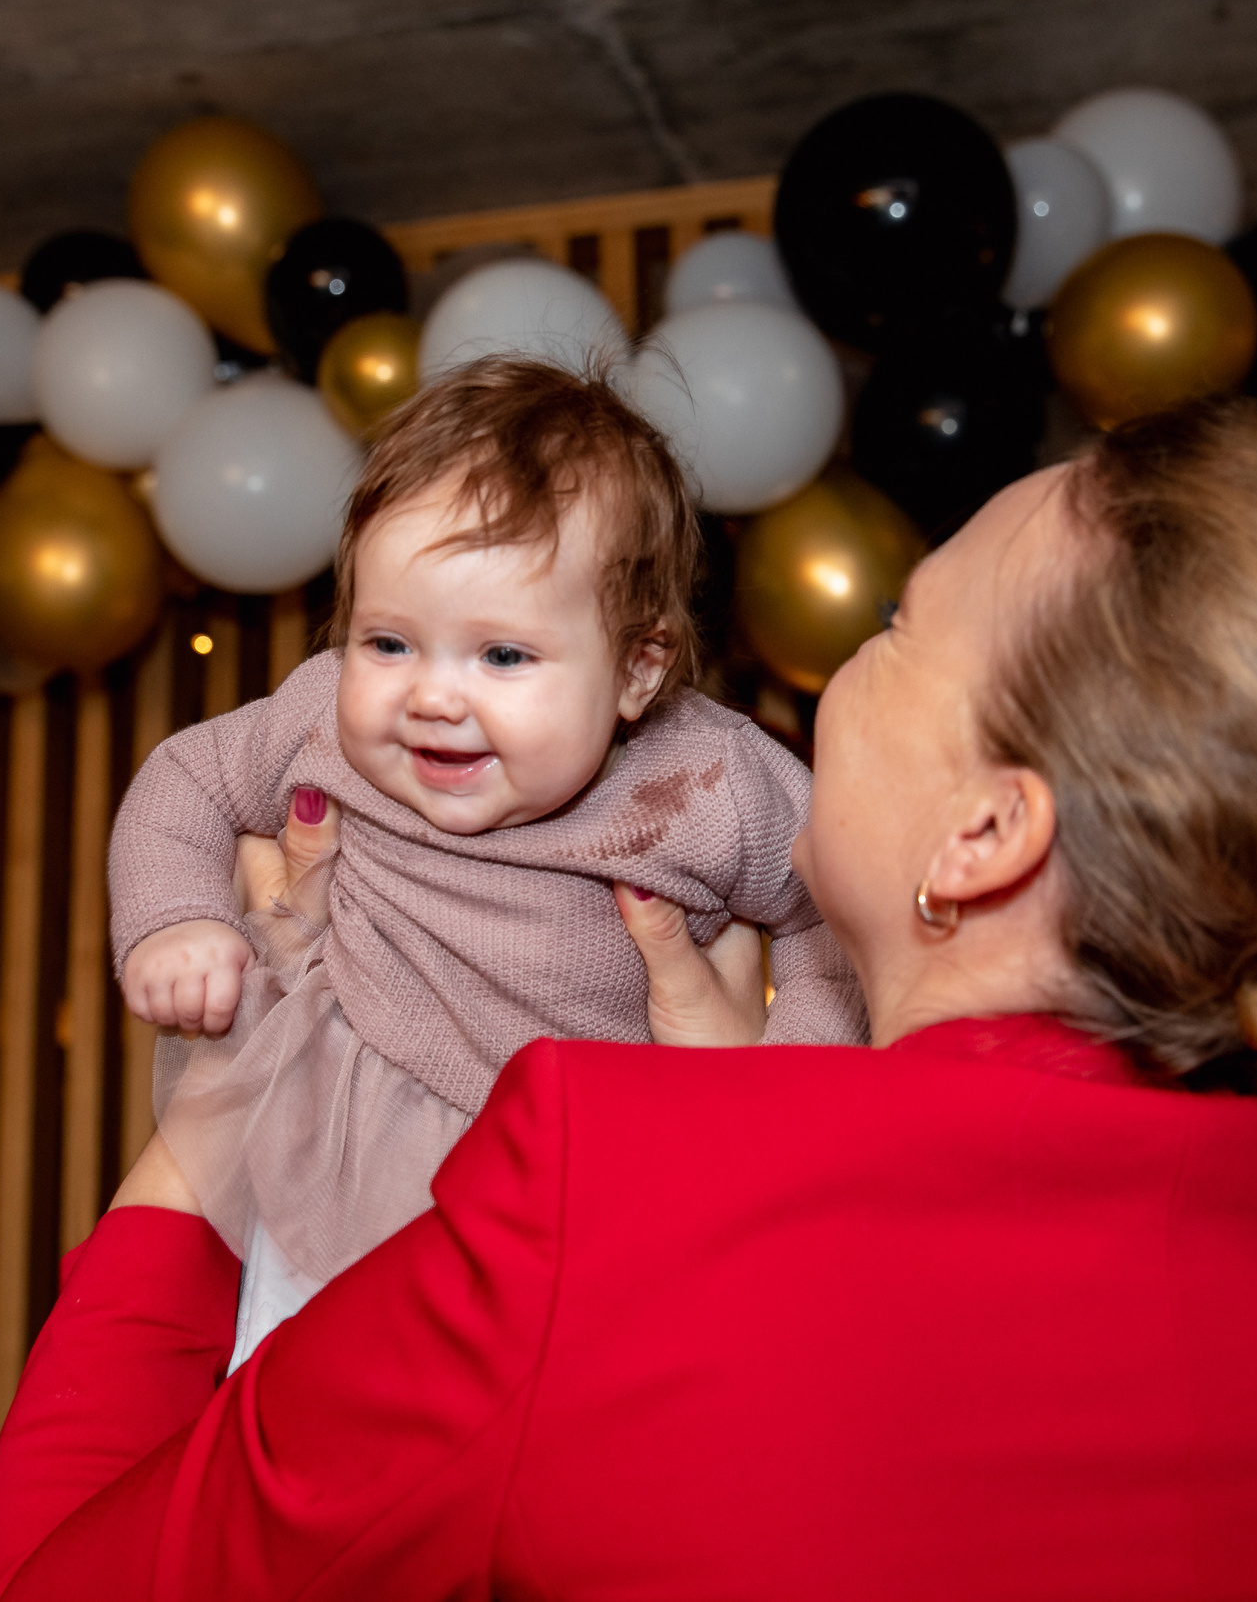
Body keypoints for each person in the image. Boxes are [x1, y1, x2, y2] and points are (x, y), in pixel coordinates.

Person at [0, 397, 1257, 1601]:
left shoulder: (601, 1181)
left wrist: (209, 1132)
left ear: (984, 832)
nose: (847, 664)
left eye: (903, 630)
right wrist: (776, 1095)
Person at [107, 357, 864, 1362]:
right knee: (291, 1429)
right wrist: (175, 917)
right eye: (387, 643)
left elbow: (839, 912)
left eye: (501, 656)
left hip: (590, 1191)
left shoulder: (708, 780)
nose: (431, 696)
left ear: (639, 670)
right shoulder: (319, 724)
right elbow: (189, 778)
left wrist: (790, 1070)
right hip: (337, 1154)